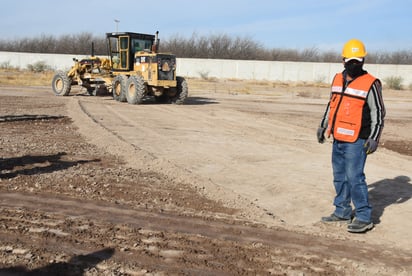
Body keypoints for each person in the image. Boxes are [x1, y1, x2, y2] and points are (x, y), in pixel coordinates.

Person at [317, 39, 386, 233]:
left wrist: (374, 138)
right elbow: (331, 105)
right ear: (343, 60)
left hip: (358, 140)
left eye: (358, 60)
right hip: (338, 137)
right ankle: (342, 211)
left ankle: (364, 217)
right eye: (351, 60)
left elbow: (378, 113)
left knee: (355, 177)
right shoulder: (338, 79)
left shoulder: (371, 83)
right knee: (339, 177)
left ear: (363, 60)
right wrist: (323, 126)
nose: (354, 64)